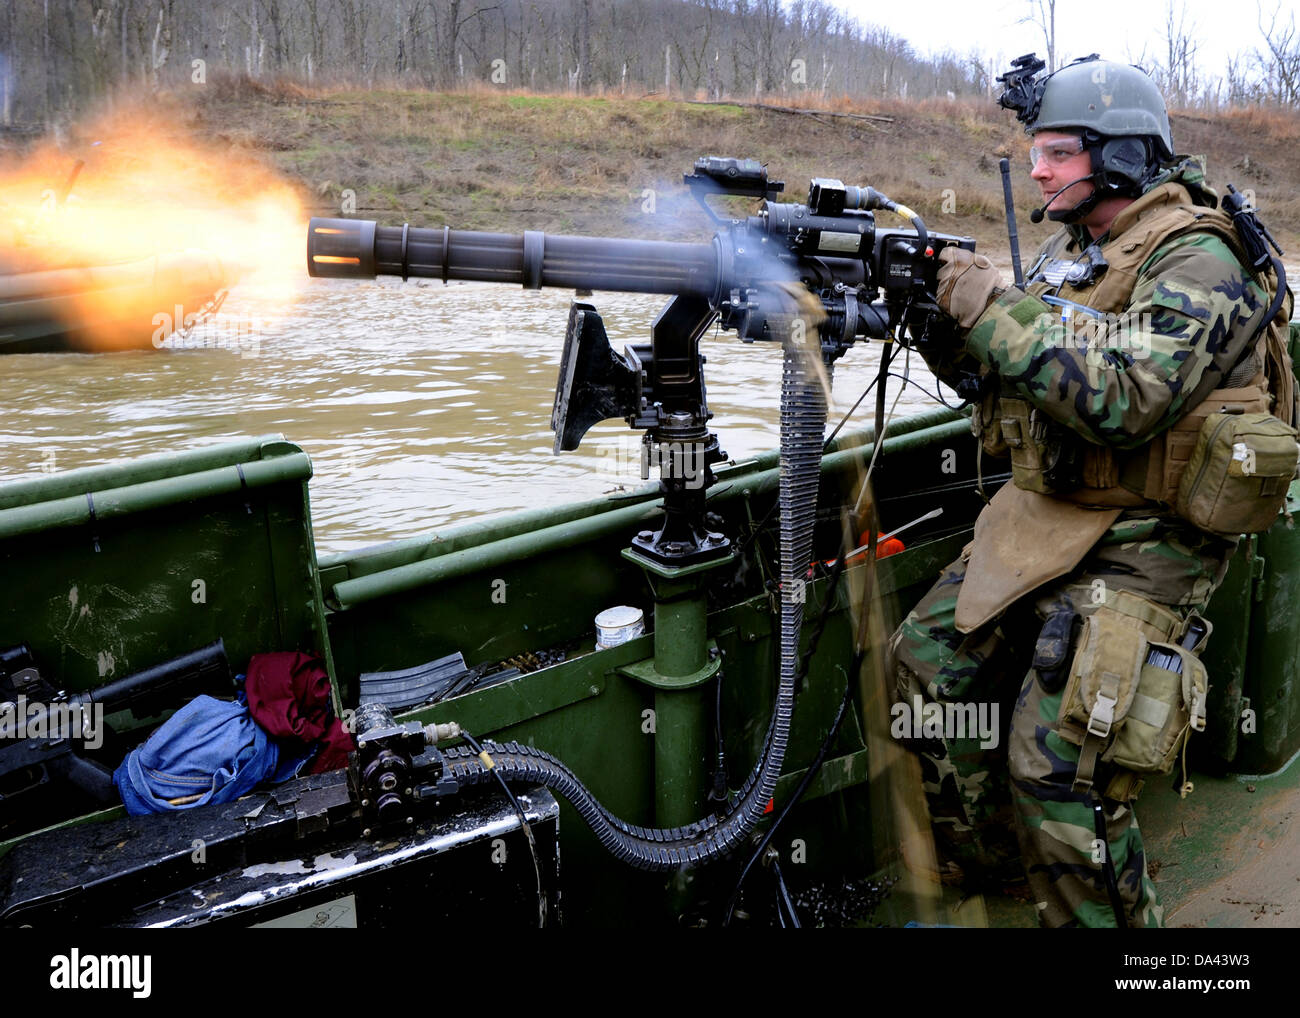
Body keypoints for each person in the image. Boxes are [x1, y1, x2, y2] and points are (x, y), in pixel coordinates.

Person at [893, 53, 1297, 927]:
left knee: (1058, 765)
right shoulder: (1078, 251)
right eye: (1035, 151)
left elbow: (1124, 399)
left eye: (1059, 153)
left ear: (1119, 156)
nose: (1037, 168)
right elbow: (1005, 384)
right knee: (924, 674)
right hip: (1050, 517)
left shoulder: (1201, 258)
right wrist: (933, 316)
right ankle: (1002, 873)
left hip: (1154, 538)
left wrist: (985, 305)